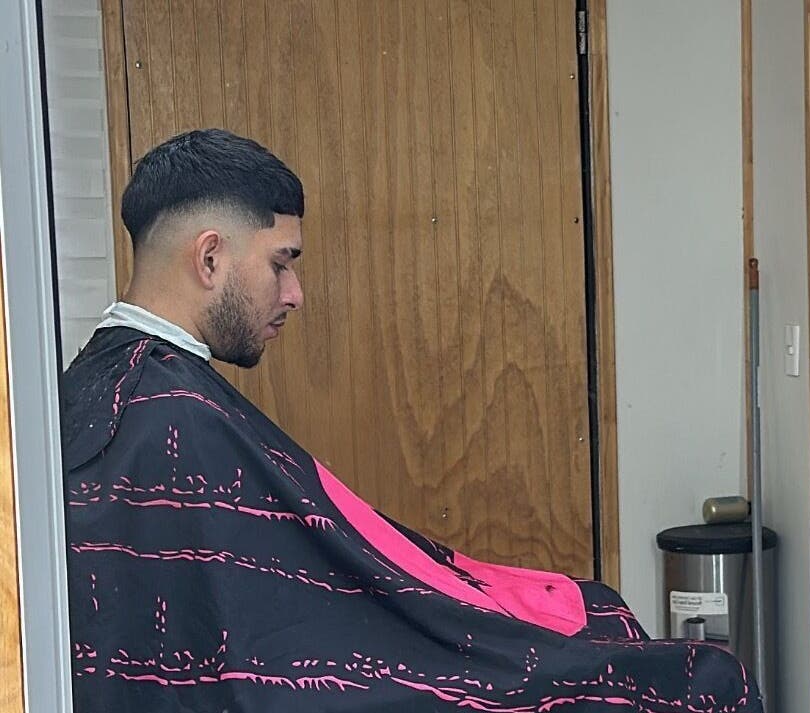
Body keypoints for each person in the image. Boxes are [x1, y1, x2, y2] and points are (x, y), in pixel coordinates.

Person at [61, 129, 759, 712]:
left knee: (586, 613)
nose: (295, 293)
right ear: (210, 257)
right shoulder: (167, 416)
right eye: (281, 264)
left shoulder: (96, 386)